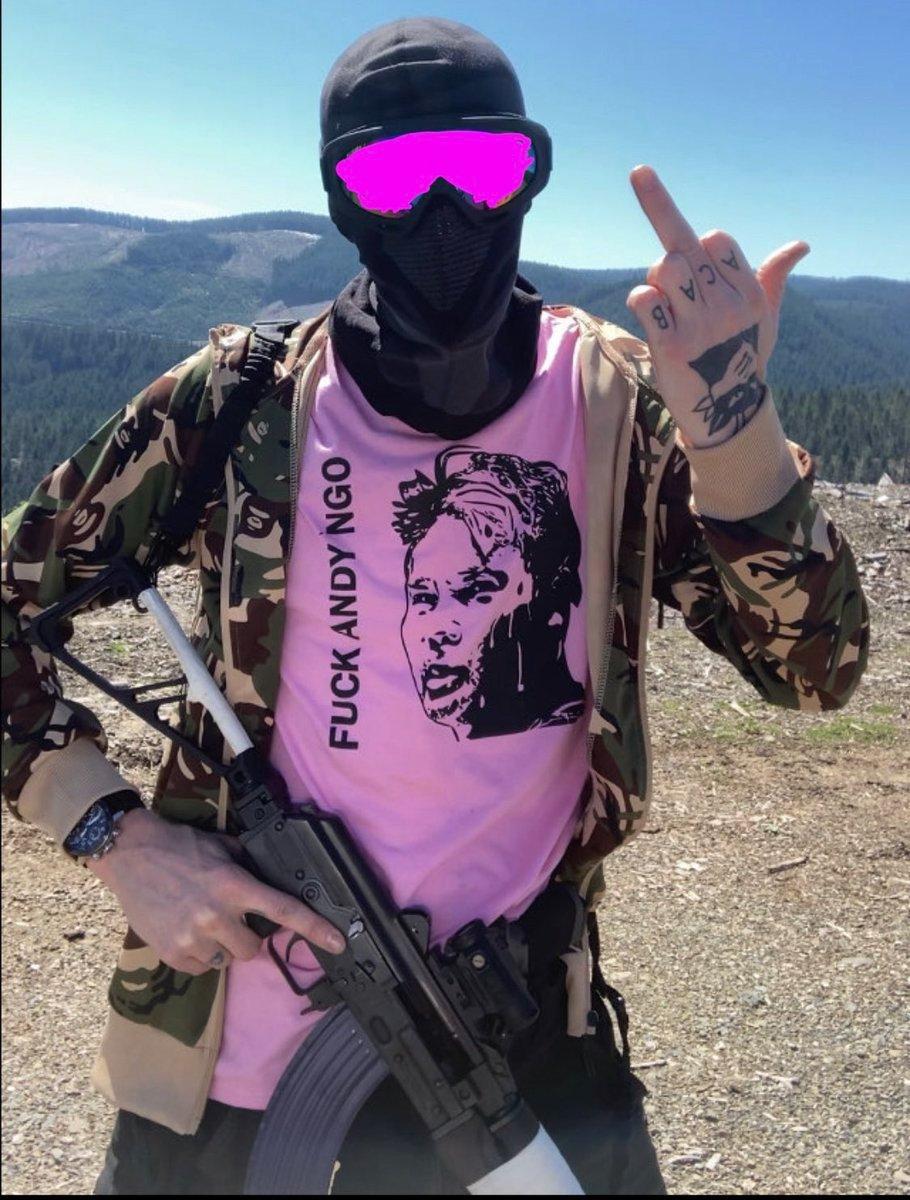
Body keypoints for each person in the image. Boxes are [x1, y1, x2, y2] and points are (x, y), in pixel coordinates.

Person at [0, 16, 869, 1197]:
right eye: (394, 176)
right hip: (225, 1063)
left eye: (484, 166)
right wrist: (115, 835)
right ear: (340, 198)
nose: (445, 211)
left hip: (519, 1039)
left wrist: (731, 425)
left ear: (531, 175)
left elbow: (814, 671)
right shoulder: (239, 403)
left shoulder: (618, 403)